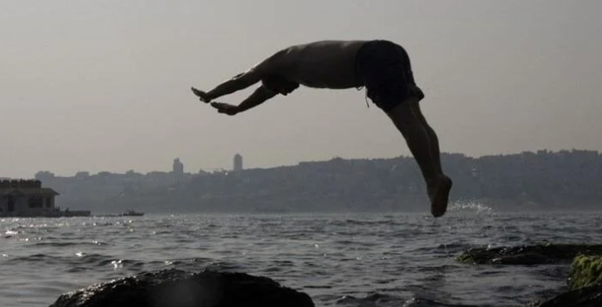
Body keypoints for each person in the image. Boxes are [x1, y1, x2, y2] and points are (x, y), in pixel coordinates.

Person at [191, 39, 453, 217]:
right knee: (417, 118)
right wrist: (238, 109)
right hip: (389, 52)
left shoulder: (280, 61)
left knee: (405, 120)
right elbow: (263, 93)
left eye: (280, 89)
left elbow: (244, 79)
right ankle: (437, 175)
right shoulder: (288, 72)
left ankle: (433, 180)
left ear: (271, 78)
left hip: (370, 59)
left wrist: (211, 94)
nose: (285, 93)